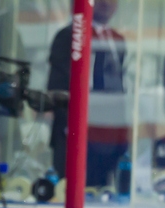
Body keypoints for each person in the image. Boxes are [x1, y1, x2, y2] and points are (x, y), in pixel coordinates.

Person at [48, 0, 128, 189]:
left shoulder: (118, 40)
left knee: (103, 192)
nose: (106, 3)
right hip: (76, 135)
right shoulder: (69, 35)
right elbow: (58, 88)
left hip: (109, 136)